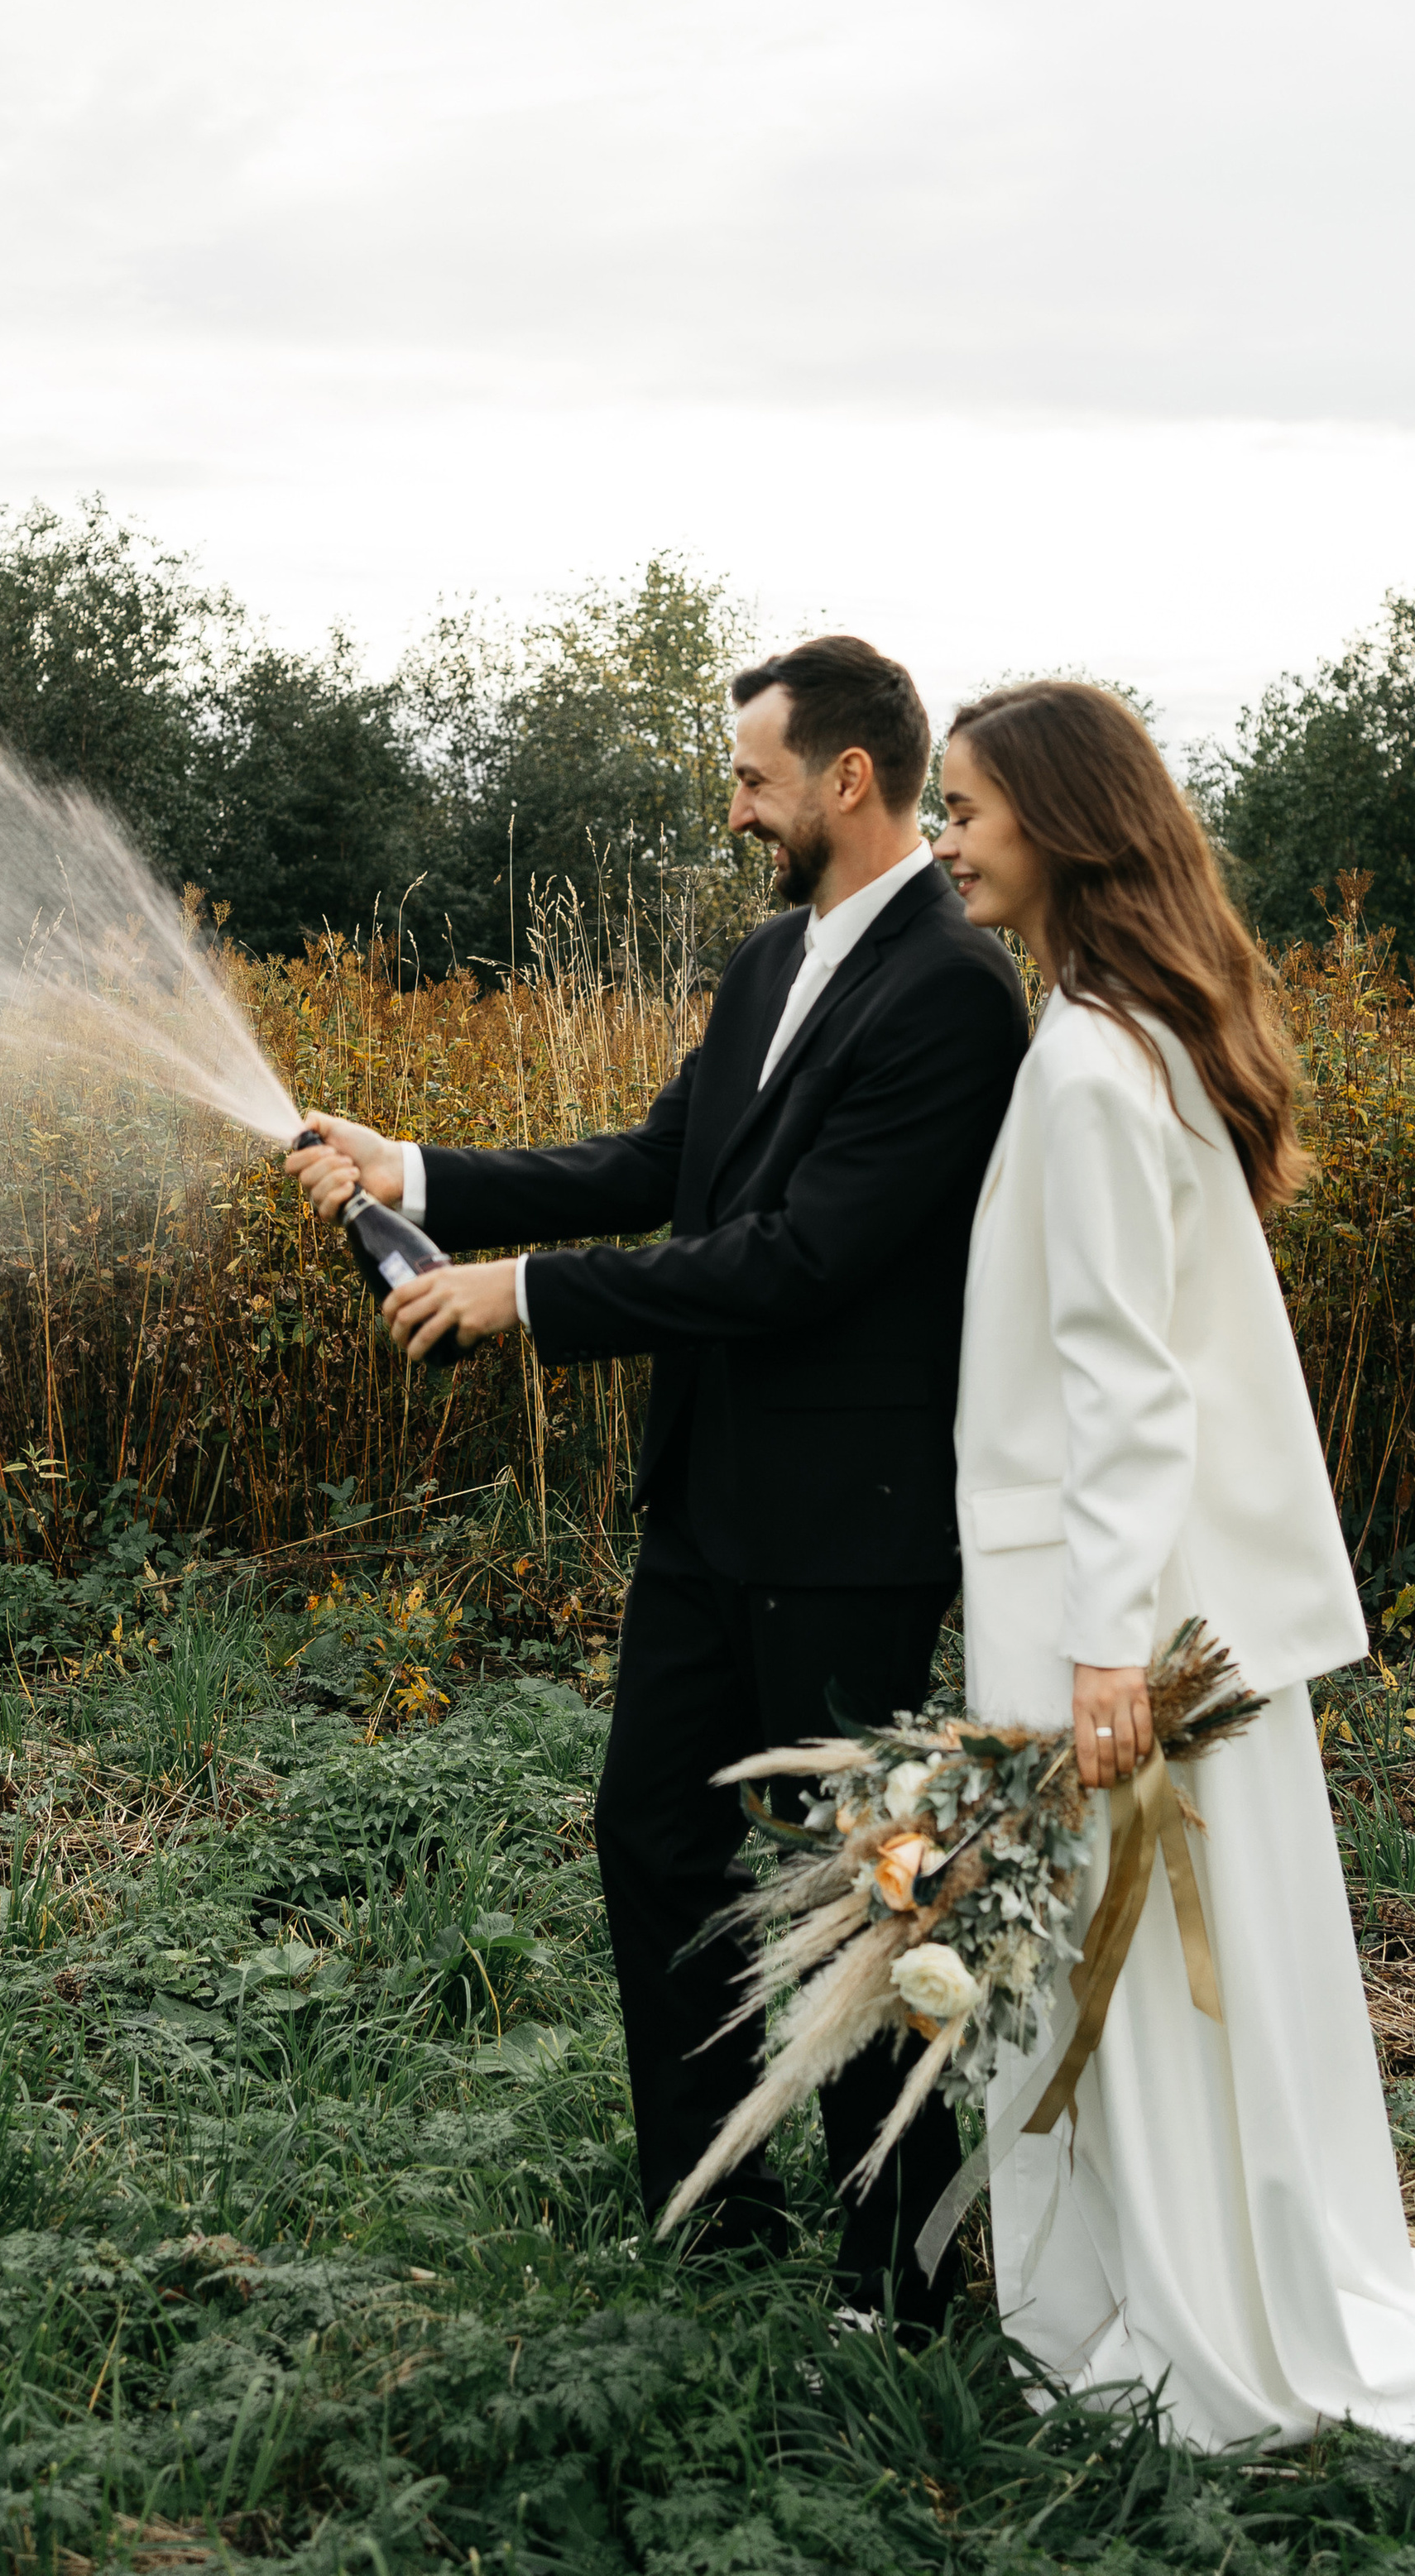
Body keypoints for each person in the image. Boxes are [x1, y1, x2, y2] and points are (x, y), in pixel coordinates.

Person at [286, 634, 1029, 2324]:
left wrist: (529, 1300)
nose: (734, 805)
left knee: (859, 1901)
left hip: (843, 1528)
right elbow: (657, 1163)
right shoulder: (771, 961)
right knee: (652, 1843)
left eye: (754, 777)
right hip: (706, 1508)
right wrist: (416, 1171)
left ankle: (892, 2267)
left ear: (849, 778)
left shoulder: (950, 993)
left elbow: (795, 1262)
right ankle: (711, 2202)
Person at [933, 679, 1415, 2444]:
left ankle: (1176, 2311)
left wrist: (1102, 1654)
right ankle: (1229, 2265)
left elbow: (1126, 1383)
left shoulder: (1084, 1063)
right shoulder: (1134, 1034)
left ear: (1056, 823)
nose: (950, 842)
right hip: (1174, 1590)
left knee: (1123, 1973)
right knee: (1197, 1975)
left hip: (1108, 1600)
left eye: (965, 809)